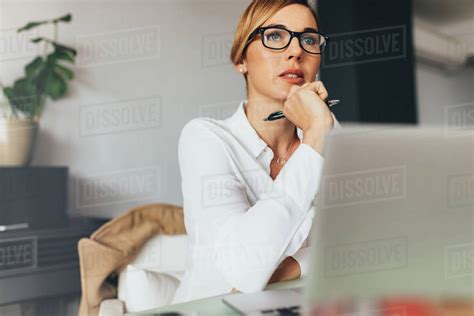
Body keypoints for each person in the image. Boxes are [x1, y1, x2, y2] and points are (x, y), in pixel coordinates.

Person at [172, 0, 340, 304]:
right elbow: (244, 268)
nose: (296, 51)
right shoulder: (205, 138)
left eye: (309, 39)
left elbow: (362, 244)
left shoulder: (327, 132)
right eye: (275, 36)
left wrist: (290, 267)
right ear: (241, 60)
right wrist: (315, 136)